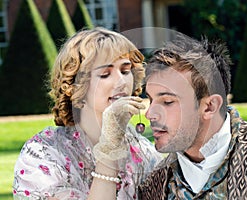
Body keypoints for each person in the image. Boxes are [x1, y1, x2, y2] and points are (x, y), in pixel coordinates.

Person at [138, 35, 247, 199]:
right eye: (151, 100)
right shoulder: (155, 185)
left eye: (167, 101)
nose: (150, 113)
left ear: (210, 106)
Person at [13, 27, 162, 199]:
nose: (121, 82)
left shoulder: (143, 151)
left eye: (125, 71)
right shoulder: (44, 154)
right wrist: (109, 151)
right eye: (105, 74)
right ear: (76, 87)